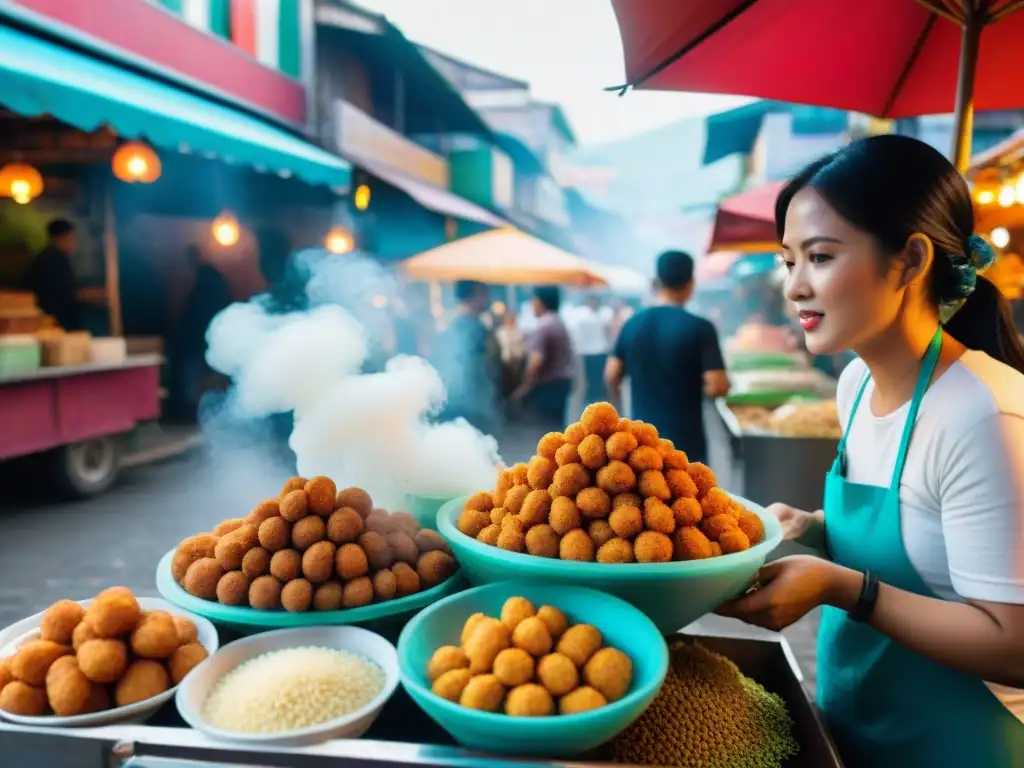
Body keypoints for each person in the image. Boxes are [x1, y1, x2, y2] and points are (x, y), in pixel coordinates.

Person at [716, 135, 1024, 768]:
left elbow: (1013, 645)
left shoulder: (985, 415)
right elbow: (926, 540)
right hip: (854, 730)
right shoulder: (856, 385)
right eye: (788, 261)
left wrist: (845, 588)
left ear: (910, 260)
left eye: (820, 257)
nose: (795, 287)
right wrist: (817, 531)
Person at [605, 251, 729, 464]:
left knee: (644, 494)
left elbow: (611, 374)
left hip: (641, 441)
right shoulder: (701, 328)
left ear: (657, 283)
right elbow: (717, 386)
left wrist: (620, 410)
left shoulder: (632, 324)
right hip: (686, 443)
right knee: (688, 494)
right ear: (691, 284)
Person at [431, 280, 502, 437]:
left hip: (467, 407)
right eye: (483, 293)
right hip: (472, 409)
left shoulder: (456, 327)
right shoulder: (473, 329)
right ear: (470, 297)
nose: (488, 298)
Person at [512, 286, 575, 430]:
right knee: (556, 428)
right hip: (561, 384)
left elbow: (535, 361)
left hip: (549, 387)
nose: (532, 305)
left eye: (533, 300)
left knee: (546, 432)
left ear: (541, 302)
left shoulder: (544, 326)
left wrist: (525, 387)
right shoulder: (558, 322)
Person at [26, 219, 82, 331]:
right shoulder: (51, 261)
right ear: (61, 238)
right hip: (56, 323)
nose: (75, 243)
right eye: (72, 238)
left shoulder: (54, 258)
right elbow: (65, 292)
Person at [565, 296, 613, 407]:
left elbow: (577, 335)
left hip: (589, 351)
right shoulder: (601, 317)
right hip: (600, 350)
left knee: (590, 377)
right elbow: (607, 334)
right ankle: (598, 398)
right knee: (598, 377)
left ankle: (592, 398)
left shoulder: (583, 318)